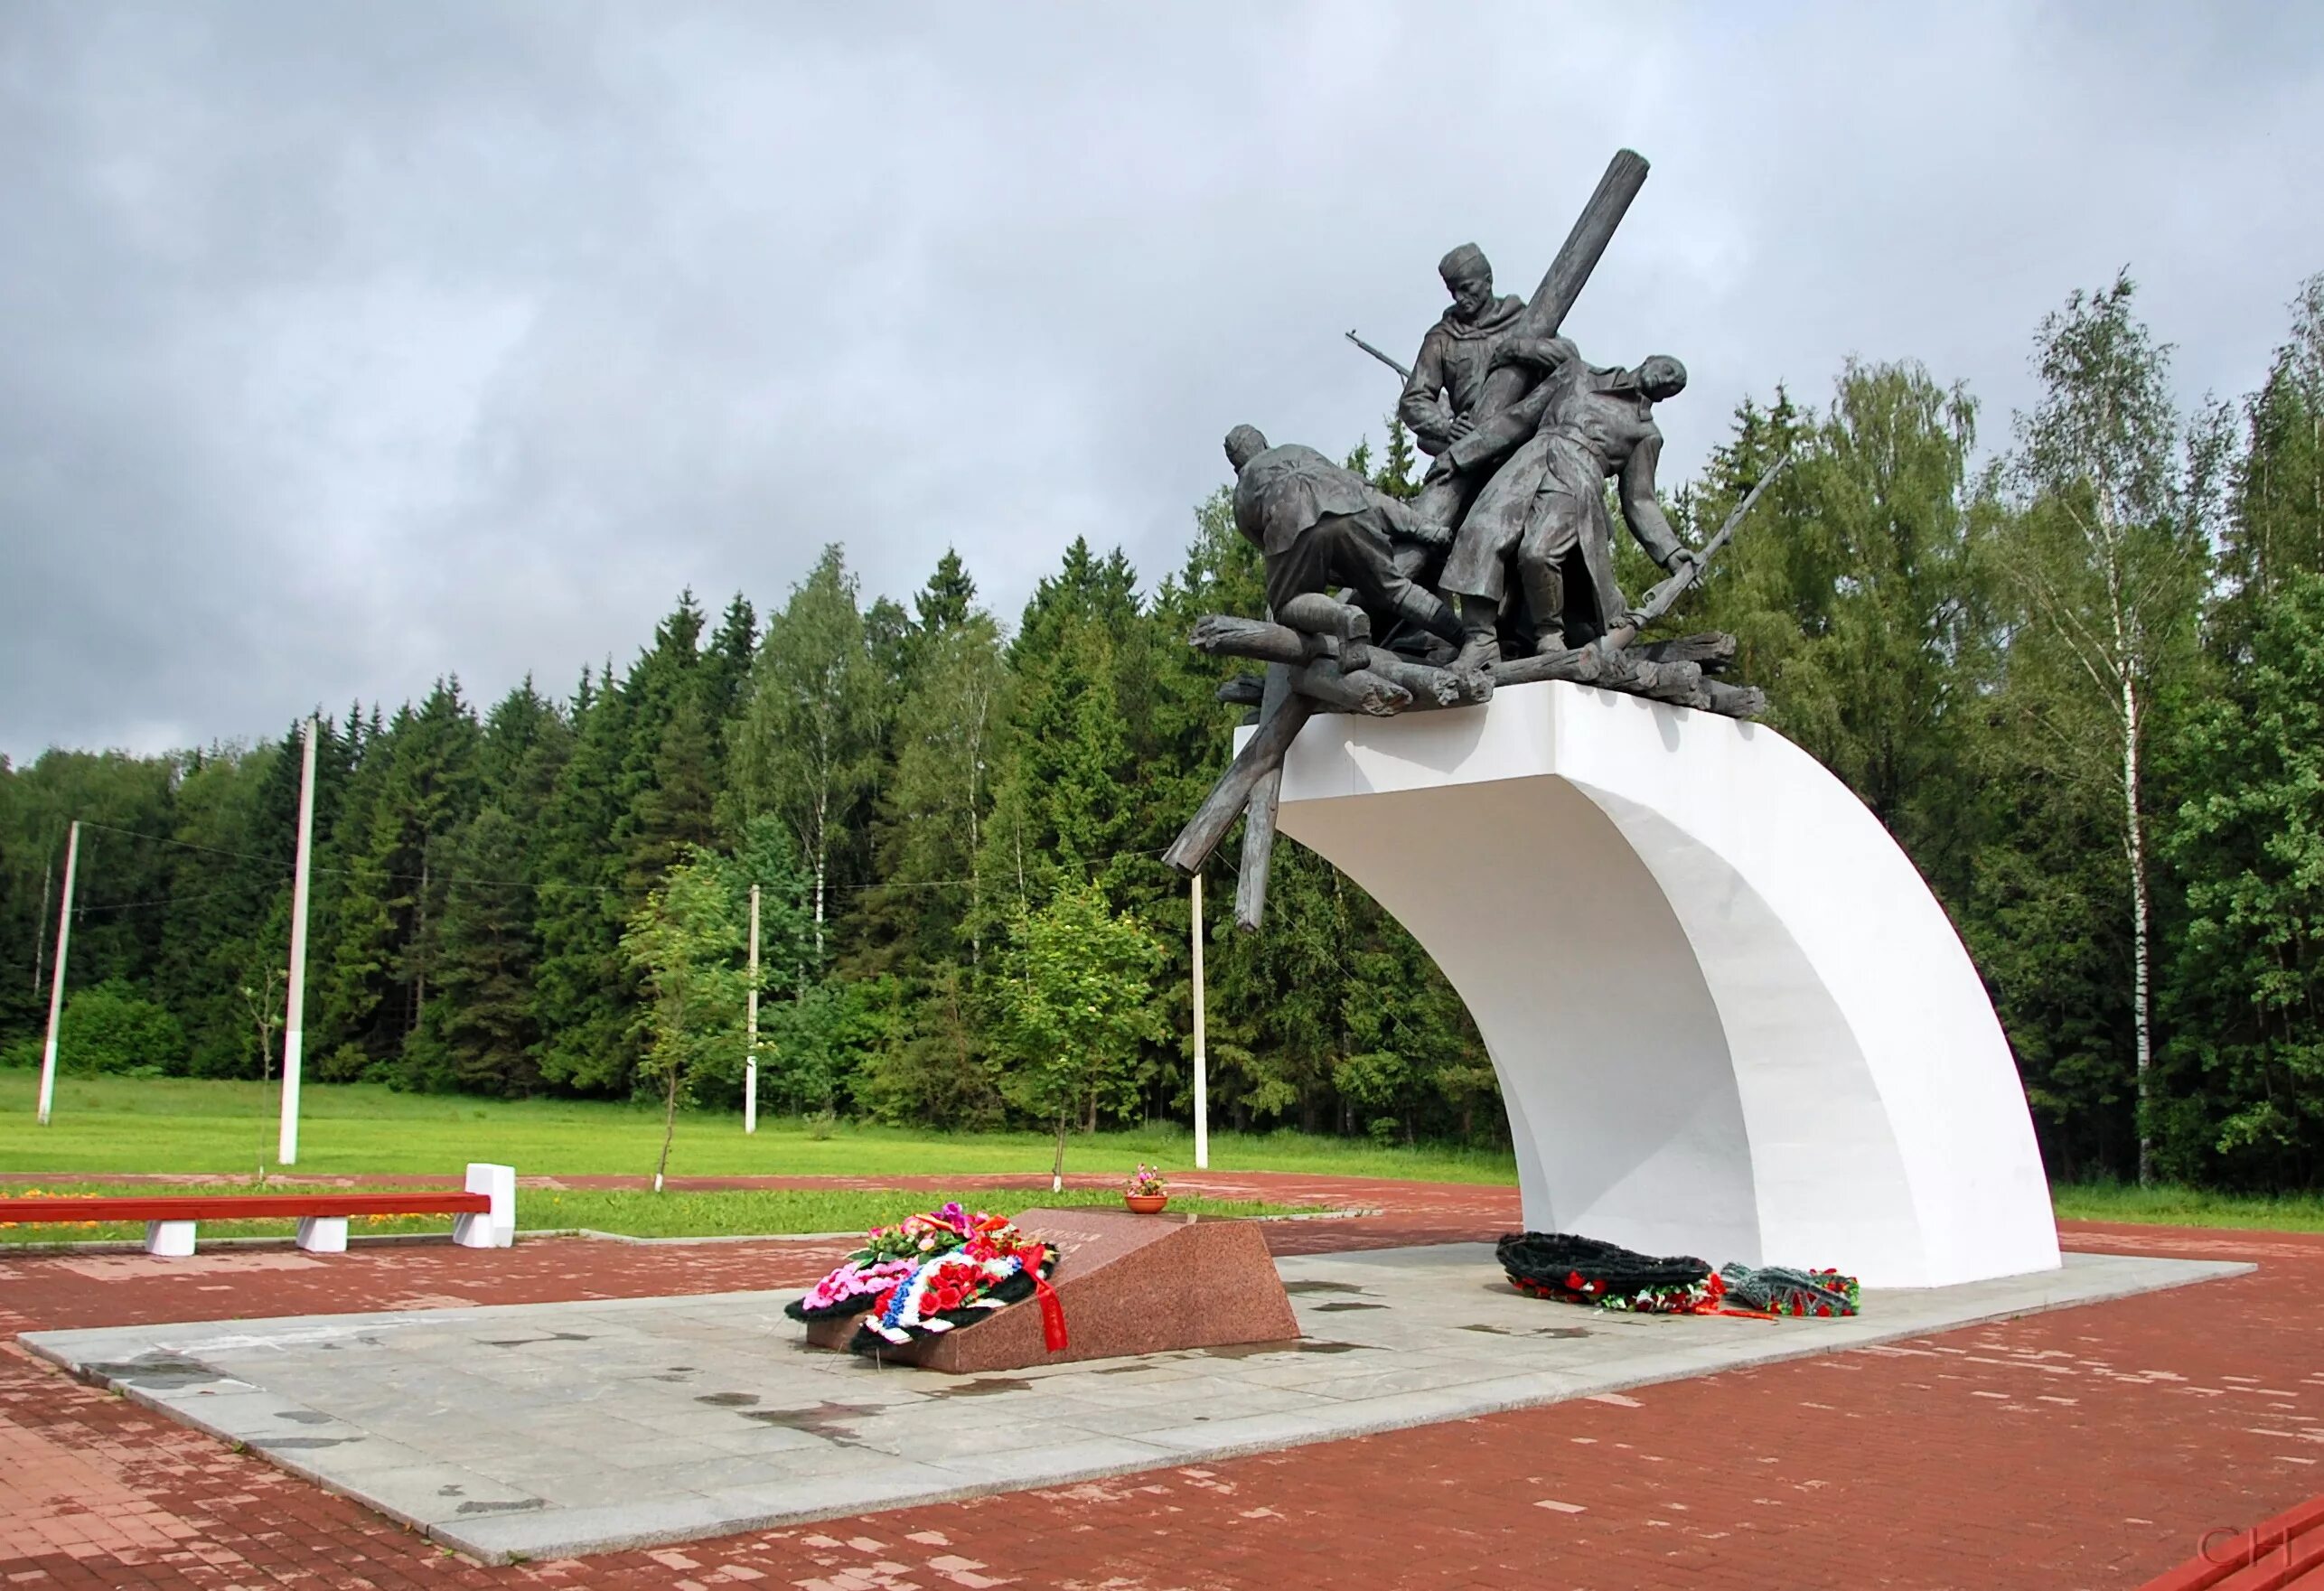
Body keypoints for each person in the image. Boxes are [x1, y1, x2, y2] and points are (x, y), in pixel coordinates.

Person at [1436, 345, 1699, 664]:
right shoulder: (1577, 372)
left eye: (1676, 384)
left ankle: (1550, 636)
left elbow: (1639, 499)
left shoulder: (1647, 433)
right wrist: (1460, 453)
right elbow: (1520, 417)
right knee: (1479, 530)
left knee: (1538, 553)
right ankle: (1480, 639)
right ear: (1650, 359)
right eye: (1669, 369)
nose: (1669, 380)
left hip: (1579, 475)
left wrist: (1671, 552)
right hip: (1530, 458)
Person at [1223, 425, 1462, 651]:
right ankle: (1463, 636)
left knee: (1285, 605)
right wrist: (1426, 529)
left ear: (1236, 467)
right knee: (1396, 590)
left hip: (1292, 528)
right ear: (1264, 443)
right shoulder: (1298, 450)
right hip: (1348, 504)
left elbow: (1272, 550)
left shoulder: (1242, 495)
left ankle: (1344, 617)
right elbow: (1366, 494)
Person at [1397, 244, 1532, 536]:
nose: (1460, 298)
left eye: (1466, 288)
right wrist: (1445, 428)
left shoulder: (1524, 322)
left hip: (1524, 442)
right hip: (1469, 449)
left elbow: (1564, 362)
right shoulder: (1442, 338)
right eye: (1453, 291)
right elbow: (1412, 400)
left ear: (1488, 280)